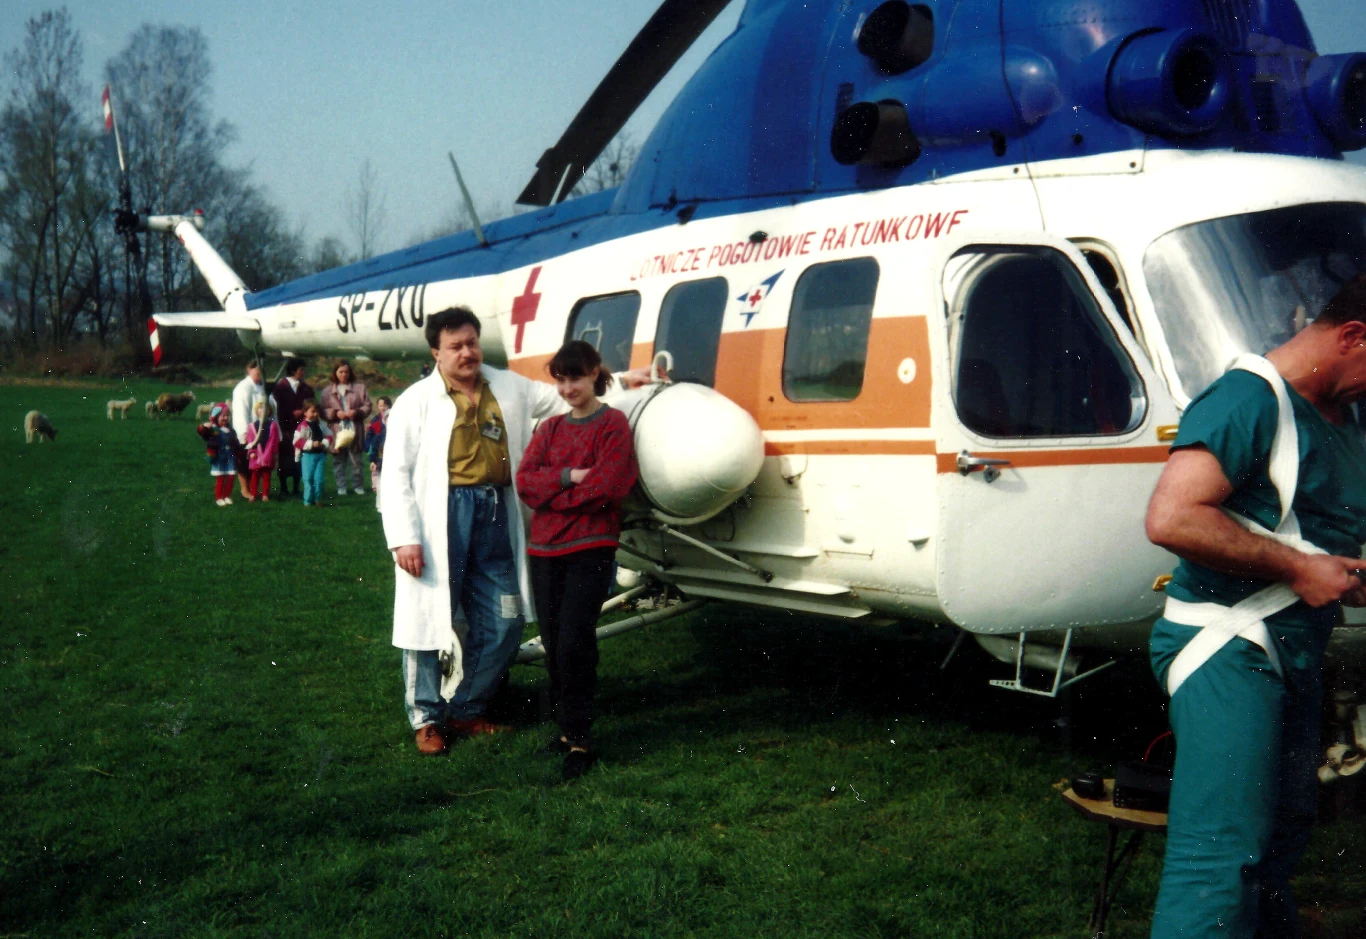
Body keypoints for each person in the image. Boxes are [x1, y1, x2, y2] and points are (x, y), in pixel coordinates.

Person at [1144, 274, 1366, 939]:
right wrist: (1299, 569)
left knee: (1279, 839)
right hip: (1227, 646)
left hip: (1290, 651)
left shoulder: (1340, 413)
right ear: (1354, 335)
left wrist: (1337, 572)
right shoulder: (1248, 399)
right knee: (1220, 853)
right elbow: (1172, 516)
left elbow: (1307, 528)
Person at [380, 306, 570, 755]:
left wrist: (623, 384)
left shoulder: (508, 386)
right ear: (436, 352)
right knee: (429, 619)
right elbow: (396, 473)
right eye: (455, 346)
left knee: (507, 619)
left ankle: (467, 708)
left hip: (496, 511)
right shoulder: (415, 401)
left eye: (471, 342)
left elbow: (567, 397)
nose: (467, 353)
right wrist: (404, 537)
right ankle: (426, 718)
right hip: (440, 517)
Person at [515, 340, 638, 780]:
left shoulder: (612, 424)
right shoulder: (549, 428)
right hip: (544, 550)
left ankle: (581, 739)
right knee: (553, 642)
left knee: (574, 642)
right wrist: (568, 477)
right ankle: (567, 731)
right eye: (561, 380)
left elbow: (609, 485)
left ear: (595, 374)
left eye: (577, 378)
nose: (568, 388)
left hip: (589, 547)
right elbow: (525, 482)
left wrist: (554, 499)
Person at [320, 360, 372, 496]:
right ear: (335, 373)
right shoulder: (327, 392)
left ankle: (358, 486)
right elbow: (322, 410)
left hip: (355, 428)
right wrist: (335, 413)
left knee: (356, 461)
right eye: (341, 372)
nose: (344, 374)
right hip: (336, 429)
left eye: (346, 372)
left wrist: (356, 412)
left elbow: (368, 406)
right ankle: (341, 487)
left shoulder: (360, 388)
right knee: (338, 461)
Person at [272, 358, 313, 499]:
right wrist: (289, 415)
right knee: (284, 460)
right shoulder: (279, 388)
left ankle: (296, 488)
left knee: (299, 458)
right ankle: (283, 488)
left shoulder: (306, 388)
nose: (303, 372)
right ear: (293, 370)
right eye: (301, 369)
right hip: (284, 428)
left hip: (301, 429)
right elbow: (275, 408)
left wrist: (303, 411)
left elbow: (312, 404)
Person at [230, 360, 266, 499]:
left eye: (262, 369)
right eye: (256, 369)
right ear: (249, 370)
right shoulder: (243, 387)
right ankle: (245, 489)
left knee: (256, 461)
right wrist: (243, 432)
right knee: (243, 461)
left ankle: (254, 488)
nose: (259, 372)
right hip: (247, 431)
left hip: (260, 429)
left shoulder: (262, 387)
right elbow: (241, 411)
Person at [196, 402, 240, 506]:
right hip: (219, 457)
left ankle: (227, 496)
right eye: (223, 416)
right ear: (216, 416)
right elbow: (202, 432)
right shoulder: (213, 430)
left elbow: (235, 442)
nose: (225, 418)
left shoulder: (231, 430)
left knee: (231, 477)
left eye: (227, 415)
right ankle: (219, 498)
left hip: (230, 457)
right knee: (221, 478)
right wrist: (203, 426)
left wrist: (239, 452)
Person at [292, 399, 333, 507]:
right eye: (312, 411)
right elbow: (296, 441)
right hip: (307, 456)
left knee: (319, 479)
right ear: (305, 412)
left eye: (317, 411)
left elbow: (329, 435)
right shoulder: (302, 426)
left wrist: (324, 442)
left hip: (320, 455)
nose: (315, 414)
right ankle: (308, 501)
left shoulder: (321, 424)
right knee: (308, 479)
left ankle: (317, 499)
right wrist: (311, 444)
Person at [243, 399, 281, 502]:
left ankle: (265, 494)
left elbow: (274, 440)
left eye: (266, 408)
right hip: (256, 455)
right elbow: (251, 440)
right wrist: (251, 452)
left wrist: (274, 453)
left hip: (268, 454)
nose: (263, 410)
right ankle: (253, 494)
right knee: (254, 476)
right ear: (257, 411)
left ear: (270, 411)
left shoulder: (272, 425)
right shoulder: (252, 426)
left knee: (266, 476)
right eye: (260, 408)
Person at [366, 396, 391, 512]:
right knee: (381, 485)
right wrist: (372, 460)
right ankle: (380, 505)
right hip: (381, 463)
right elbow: (373, 447)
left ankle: (392, 504)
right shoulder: (381, 435)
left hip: (394, 465)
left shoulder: (399, 437)